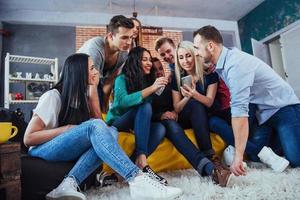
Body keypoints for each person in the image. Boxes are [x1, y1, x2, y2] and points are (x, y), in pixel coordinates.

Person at [24, 53, 183, 200]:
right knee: (98, 127)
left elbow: (100, 125)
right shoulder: (53, 96)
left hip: (66, 147)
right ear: (79, 73)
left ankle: (68, 184)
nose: (97, 72)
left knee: (111, 131)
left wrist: (92, 89)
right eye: (92, 68)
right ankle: (136, 179)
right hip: (43, 149)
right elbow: (29, 138)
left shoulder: (83, 97)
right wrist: (67, 129)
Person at [193, 25, 300, 176]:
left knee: (296, 159)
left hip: (283, 108)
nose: (196, 53)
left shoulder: (236, 65)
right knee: (256, 156)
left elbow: (239, 113)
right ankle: (285, 138)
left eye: (197, 48)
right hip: (263, 113)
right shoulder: (223, 63)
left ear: (210, 46)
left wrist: (238, 157)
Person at [151, 57, 233, 187]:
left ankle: (210, 156)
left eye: (160, 68)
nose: (158, 72)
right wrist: (161, 115)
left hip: (177, 116)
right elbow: (146, 113)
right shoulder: (148, 88)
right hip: (161, 122)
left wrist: (175, 112)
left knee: (195, 105)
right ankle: (210, 169)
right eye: (154, 70)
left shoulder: (170, 83)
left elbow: (176, 106)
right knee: (173, 127)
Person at [106, 46, 169, 185]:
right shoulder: (121, 79)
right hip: (118, 121)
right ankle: (142, 162)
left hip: (135, 123)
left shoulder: (147, 81)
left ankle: (131, 167)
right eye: (144, 60)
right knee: (145, 105)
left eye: (149, 60)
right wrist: (151, 89)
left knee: (160, 128)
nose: (149, 63)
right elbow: (122, 103)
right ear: (135, 61)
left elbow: (147, 112)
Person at [78, 15, 134, 112]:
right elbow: (91, 85)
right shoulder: (95, 48)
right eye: (124, 37)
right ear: (110, 36)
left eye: (131, 37)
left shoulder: (124, 53)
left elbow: (109, 82)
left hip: (94, 86)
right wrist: (98, 118)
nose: (129, 42)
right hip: (75, 85)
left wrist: (104, 111)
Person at [172, 41, 217, 159]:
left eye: (188, 55)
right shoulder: (176, 78)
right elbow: (177, 108)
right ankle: (209, 156)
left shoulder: (210, 75)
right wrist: (187, 97)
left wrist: (194, 94)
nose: (185, 61)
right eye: (181, 57)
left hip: (207, 115)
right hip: (186, 117)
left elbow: (209, 102)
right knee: (195, 105)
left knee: (198, 104)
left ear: (194, 55)